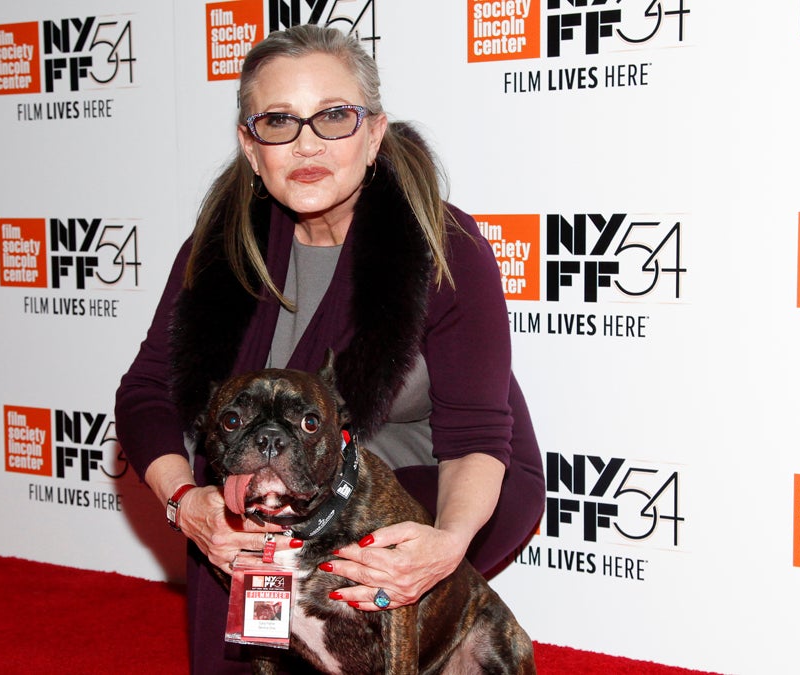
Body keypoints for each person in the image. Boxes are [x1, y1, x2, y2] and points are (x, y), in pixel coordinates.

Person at [115, 24, 544, 673]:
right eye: (279, 122)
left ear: (374, 133)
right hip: (286, 477)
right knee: (247, 533)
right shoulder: (216, 251)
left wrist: (447, 540)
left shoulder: (443, 244)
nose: (307, 144)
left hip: (440, 475)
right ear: (251, 147)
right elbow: (145, 393)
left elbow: (477, 434)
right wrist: (186, 502)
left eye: (334, 117)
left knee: (361, 558)